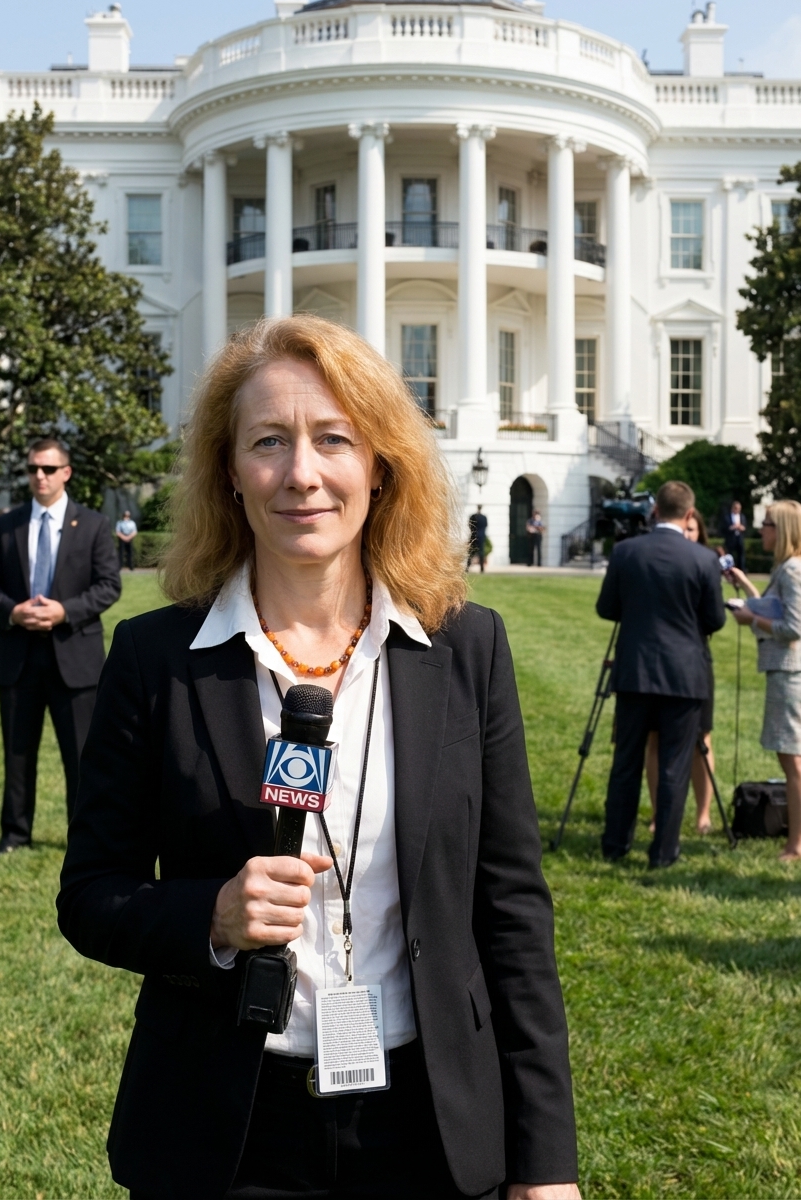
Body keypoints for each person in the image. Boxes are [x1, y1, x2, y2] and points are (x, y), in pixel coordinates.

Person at [57, 316, 580, 1200]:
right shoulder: (154, 660)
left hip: (430, 1122)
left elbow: (512, 914)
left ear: (379, 462)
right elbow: (92, 897)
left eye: (332, 438)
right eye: (268, 442)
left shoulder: (465, 650)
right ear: (230, 471)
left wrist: (546, 1162)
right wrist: (212, 917)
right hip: (227, 1127)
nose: (302, 473)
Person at [0, 438, 121, 858]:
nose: (39, 476)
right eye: (32, 469)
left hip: (74, 658)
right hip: (18, 659)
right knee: (18, 754)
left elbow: (109, 585)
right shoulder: (7, 524)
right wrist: (13, 611)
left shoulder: (93, 524)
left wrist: (65, 610)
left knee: (80, 758)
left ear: (66, 472)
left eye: (48, 468)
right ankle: (14, 834)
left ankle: (83, 840)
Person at [596, 480, 725, 868]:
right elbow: (715, 619)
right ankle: (664, 852)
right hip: (685, 674)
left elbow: (606, 608)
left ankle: (615, 844)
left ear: (654, 511)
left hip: (635, 669)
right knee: (674, 765)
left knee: (627, 762)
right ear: (689, 514)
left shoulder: (626, 552)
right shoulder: (703, 559)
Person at [727, 500, 801, 861]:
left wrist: (749, 621)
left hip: (790, 675)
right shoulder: (786, 569)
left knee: (793, 763)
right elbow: (777, 612)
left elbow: (793, 628)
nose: (762, 530)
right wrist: (747, 590)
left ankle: (796, 844)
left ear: (784, 529)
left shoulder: (791, 571)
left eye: (768, 523)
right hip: (787, 672)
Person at [644, 509, 716, 835]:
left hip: (695, 661)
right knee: (655, 739)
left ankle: (703, 813)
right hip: (656, 661)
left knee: (702, 739)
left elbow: (713, 617)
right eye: (683, 529)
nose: (686, 535)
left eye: (692, 531)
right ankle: (660, 814)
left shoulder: (703, 562)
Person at [722, 500, 747, 570]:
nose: (737, 510)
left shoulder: (742, 516)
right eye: (736, 508)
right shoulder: (727, 517)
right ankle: (729, 569)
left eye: (739, 508)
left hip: (739, 538)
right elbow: (723, 528)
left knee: (741, 555)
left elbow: (744, 527)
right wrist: (732, 527)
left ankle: (742, 569)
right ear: (732, 508)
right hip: (730, 539)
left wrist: (741, 527)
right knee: (729, 555)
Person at [467, 503, 488, 572]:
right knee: (481, 552)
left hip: (474, 536)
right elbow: (485, 526)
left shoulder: (473, 516)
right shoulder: (484, 518)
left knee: (470, 552)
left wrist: (473, 532)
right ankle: (482, 568)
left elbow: (470, 525)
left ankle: (467, 567)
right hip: (481, 537)